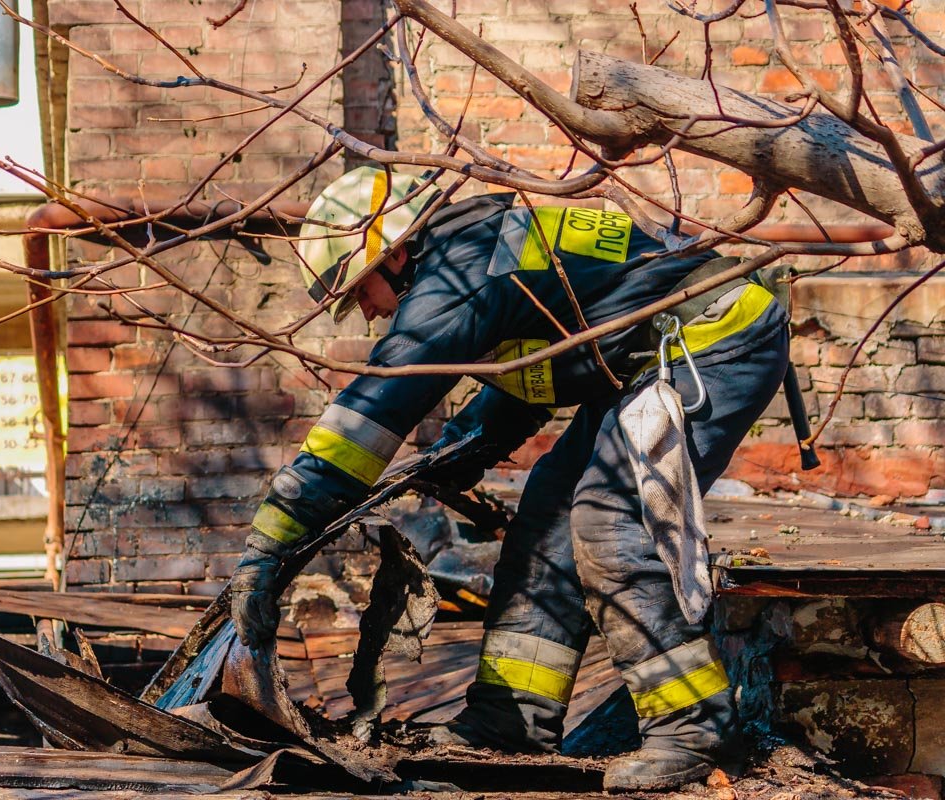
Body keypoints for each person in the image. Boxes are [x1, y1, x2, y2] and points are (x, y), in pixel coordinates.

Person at [229, 166, 789, 792]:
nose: (363, 311)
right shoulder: (481, 246)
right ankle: (511, 720)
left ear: (393, 250)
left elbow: (373, 412)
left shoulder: (460, 272)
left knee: (608, 520)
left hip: (715, 337)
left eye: (360, 290)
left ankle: (696, 728)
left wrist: (269, 546)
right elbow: (546, 356)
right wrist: (469, 442)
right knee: (546, 521)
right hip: (642, 355)